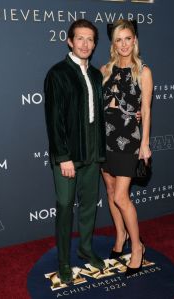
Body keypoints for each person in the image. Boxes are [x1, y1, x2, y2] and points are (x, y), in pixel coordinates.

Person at [44, 19, 106, 284]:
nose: (85, 44)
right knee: (66, 208)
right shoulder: (57, 73)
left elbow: (98, 116)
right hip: (68, 158)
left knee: (89, 207)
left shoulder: (95, 75)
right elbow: (54, 119)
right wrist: (64, 157)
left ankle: (85, 248)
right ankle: (64, 261)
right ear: (69, 41)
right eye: (80, 38)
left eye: (90, 39)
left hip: (93, 155)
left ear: (94, 44)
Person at [101, 19, 153, 276]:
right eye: (118, 40)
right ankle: (120, 236)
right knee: (110, 191)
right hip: (105, 139)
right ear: (113, 43)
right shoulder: (105, 70)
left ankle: (137, 247)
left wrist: (144, 143)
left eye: (127, 39)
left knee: (122, 197)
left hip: (128, 140)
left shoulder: (142, 71)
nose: (123, 44)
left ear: (134, 40)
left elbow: (146, 110)